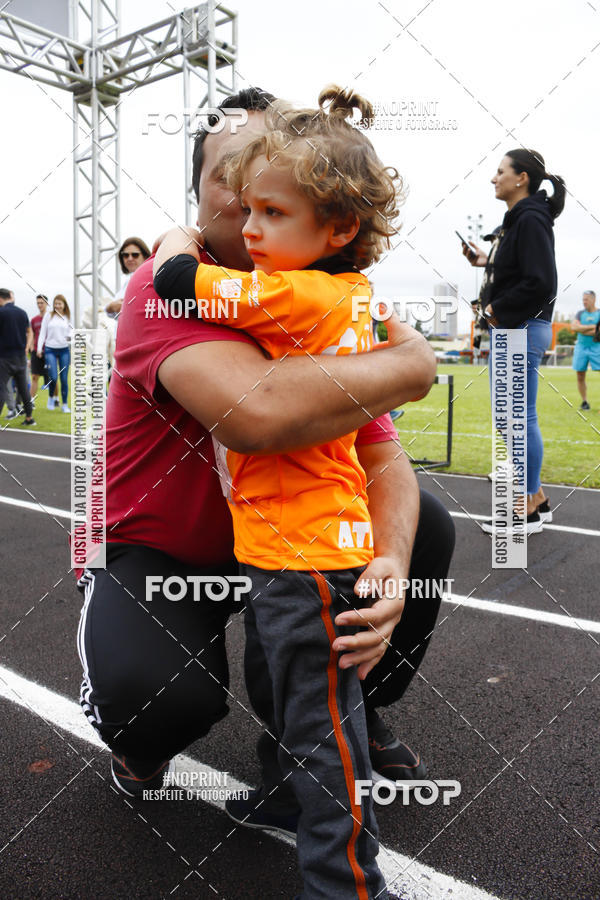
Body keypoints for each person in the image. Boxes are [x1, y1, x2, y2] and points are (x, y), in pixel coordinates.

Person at [77, 87, 454, 885]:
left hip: (282, 549)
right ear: (203, 196)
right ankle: (140, 746)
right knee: (157, 700)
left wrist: (386, 561)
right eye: (231, 178)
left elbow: (382, 460)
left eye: (270, 178)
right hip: (168, 551)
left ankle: (345, 709)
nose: (250, 202)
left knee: (430, 529)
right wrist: (412, 364)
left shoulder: (307, 289)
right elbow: (258, 414)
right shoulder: (164, 288)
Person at [153, 84, 416, 898]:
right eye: (245, 210)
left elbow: (173, 280)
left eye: (271, 213)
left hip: (304, 553)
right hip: (292, 544)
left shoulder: (288, 294)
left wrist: (179, 234)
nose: (251, 230)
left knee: (319, 728)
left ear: (338, 230)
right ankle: (279, 794)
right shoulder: (349, 296)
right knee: (282, 689)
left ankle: (345, 882)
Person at [462, 148, 566, 532]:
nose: (494, 178)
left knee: (517, 420)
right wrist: (484, 262)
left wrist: (495, 311)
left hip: (520, 327)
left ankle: (523, 508)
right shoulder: (524, 219)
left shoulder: (531, 219)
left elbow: (539, 280)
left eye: (500, 171)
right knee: (515, 419)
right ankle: (535, 499)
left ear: (521, 178)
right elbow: (521, 270)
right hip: (517, 328)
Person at [0, 288, 36, 426]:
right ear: (10, 296)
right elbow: (30, 331)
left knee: (2, 388)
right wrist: (27, 347)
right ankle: (29, 418)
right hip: (21, 356)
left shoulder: (1, 312)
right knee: (23, 389)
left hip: (4, 357)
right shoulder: (22, 312)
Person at [37, 294, 72, 412]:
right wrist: (38, 348)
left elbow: (71, 334)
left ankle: (65, 404)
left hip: (64, 350)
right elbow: (42, 333)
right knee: (53, 376)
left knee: (64, 378)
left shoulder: (68, 317)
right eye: (55, 304)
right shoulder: (48, 315)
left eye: (60, 304)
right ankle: (51, 398)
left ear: (64, 305)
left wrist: (69, 338)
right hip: (50, 349)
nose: (57, 306)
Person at [104, 236, 151, 318]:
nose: (130, 258)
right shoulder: (127, 281)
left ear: (145, 256)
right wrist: (110, 307)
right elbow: (115, 315)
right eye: (125, 255)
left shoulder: (151, 280)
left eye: (135, 255)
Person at [571, 290, 600, 410]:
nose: (584, 302)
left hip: (597, 347)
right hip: (581, 347)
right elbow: (574, 327)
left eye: (586, 299)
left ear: (593, 300)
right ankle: (584, 402)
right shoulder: (580, 313)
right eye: (583, 299)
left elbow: (598, 332)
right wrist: (593, 326)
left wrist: (581, 329)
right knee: (580, 376)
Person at [30, 294, 49, 402]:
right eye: (38, 303)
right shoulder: (34, 320)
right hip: (36, 351)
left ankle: (55, 399)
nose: (39, 305)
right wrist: (33, 348)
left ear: (46, 303)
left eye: (41, 303)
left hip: (49, 351)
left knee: (52, 378)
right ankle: (31, 401)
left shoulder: (51, 318)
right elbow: (32, 335)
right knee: (34, 377)